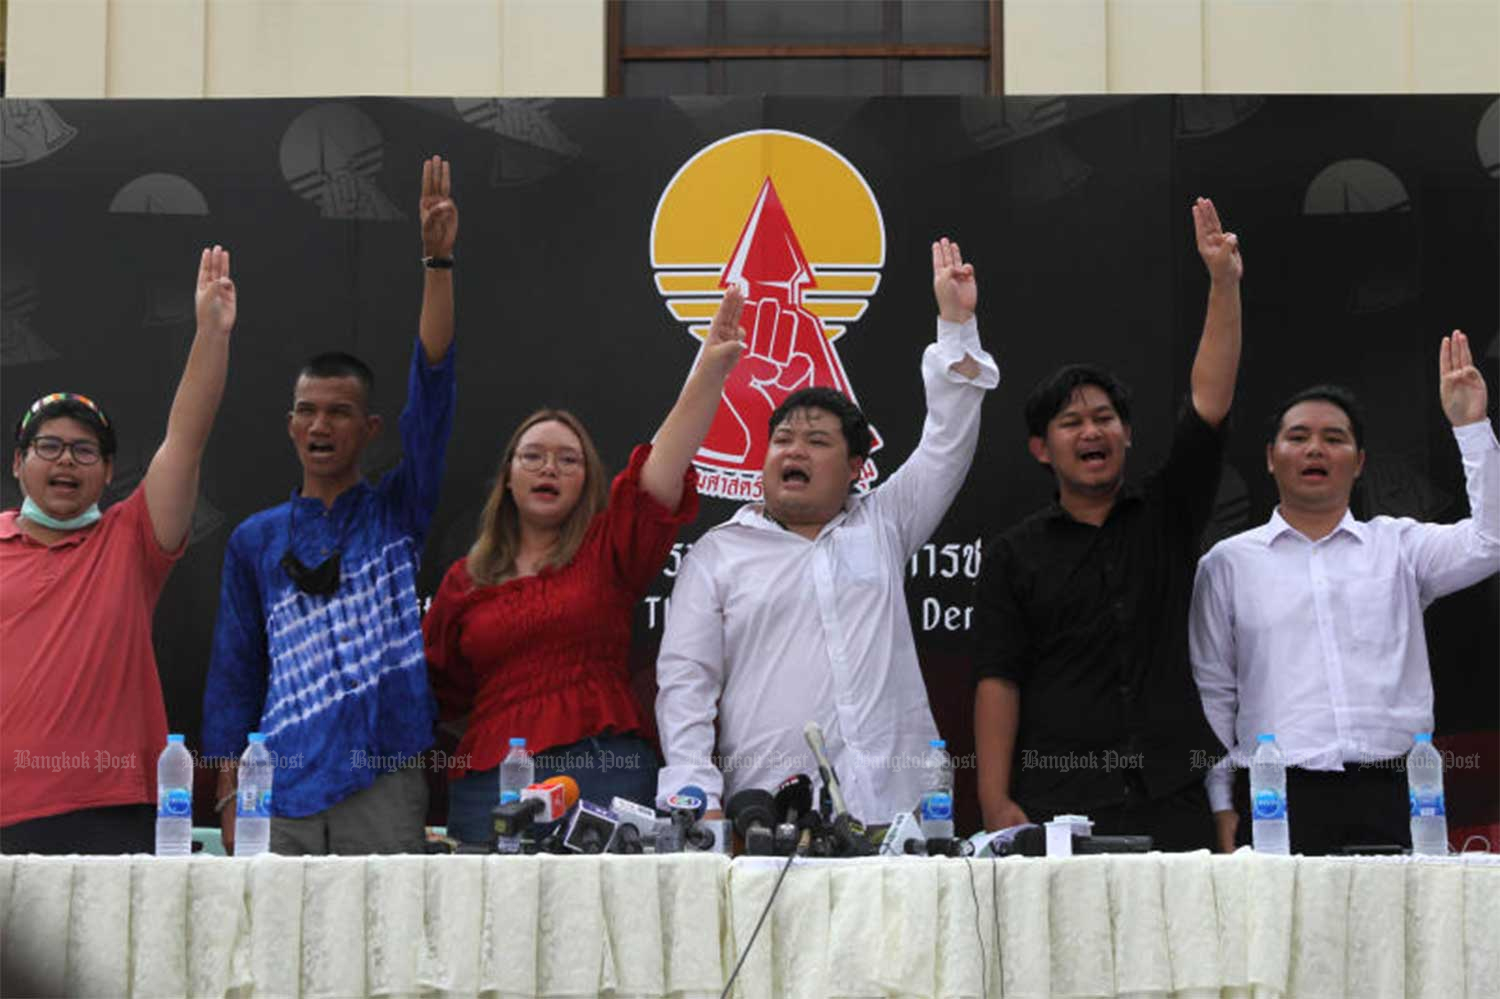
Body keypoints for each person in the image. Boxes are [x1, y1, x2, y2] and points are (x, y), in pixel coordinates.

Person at [655, 238, 999, 822]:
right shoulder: (718, 555)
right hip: (771, 815)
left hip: (898, 816)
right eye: (783, 440)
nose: (795, 451)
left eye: (817, 442)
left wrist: (956, 326)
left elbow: (947, 440)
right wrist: (697, 796)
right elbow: (686, 682)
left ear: (857, 468)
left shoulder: (884, 522)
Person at [423, 288, 747, 845]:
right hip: (488, 785)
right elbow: (436, 692)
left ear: (587, 481)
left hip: (601, 767)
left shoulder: (607, 549)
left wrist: (710, 370)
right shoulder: (466, 579)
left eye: (567, 459)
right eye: (533, 456)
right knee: (487, 926)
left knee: (602, 925)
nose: (549, 467)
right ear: (508, 476)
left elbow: (666, 462)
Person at [202, 157, 457, 855]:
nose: (321, 426)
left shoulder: (398, 511)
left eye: (340, 413)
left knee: (382, 956)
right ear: (289, 424)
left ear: (369, 429)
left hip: (383, 773)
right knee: (273, 960)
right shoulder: (256, 540)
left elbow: (433, 394)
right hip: (278, 783)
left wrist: (438, 263)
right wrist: (228, 795)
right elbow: (234, 675)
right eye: (307, 412)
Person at [972, 199, 1242, 850]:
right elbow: (998, 679)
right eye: (1070, 422)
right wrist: (994, 797)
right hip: (1058, 803)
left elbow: (1209, 399)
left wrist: (1223, 284)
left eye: (1104, 417)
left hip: (1172, 798)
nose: (1090, 430)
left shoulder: (1167, 513)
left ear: (1126, 434)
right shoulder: (1015, 554)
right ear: (1043, 448)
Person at [1190, 332, 1498, 855]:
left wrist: (1470, 427)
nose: (1315, 448)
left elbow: (1490, 541)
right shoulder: (1227, 563)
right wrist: (1221, 803)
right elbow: (1213, 693)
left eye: (1334, 438)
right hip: (1276, 796)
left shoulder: (1399, 545)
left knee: (1399, 935)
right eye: (1299, 437)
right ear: (1271, 457)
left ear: (1358, 463)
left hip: (1398, 789)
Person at [1, 246, 237, 854]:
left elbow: (186, 437)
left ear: (109, 474)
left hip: (115, 808)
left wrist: (210, 334)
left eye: (85, 451)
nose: (65, 461)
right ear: (18, 464)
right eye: (48, 446)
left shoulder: (130, 541)